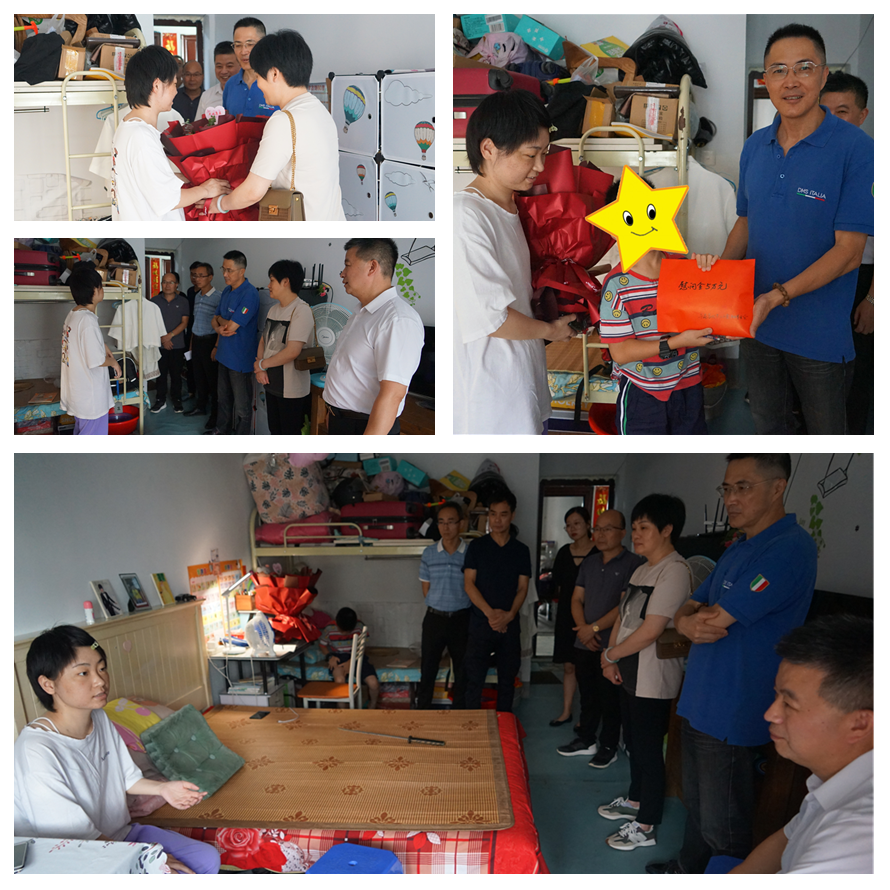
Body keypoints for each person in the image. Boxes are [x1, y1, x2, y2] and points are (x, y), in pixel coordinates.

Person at [695, 24, 873, 434]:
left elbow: (849, 253)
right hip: (756, 325)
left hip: (819, 334)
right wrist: (714, 285)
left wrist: (777, 297)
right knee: (767, 426)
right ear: (766, 80)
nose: (790, 81)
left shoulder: (857, 149)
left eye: (803, 68)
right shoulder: (755, 146)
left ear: (823, 75)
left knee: (825, 434)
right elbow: (745, 222)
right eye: (778, 70)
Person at [647, 454, 817, 874]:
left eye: (743, 487)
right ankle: (687, 870)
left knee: (724, 823)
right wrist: (686, 620)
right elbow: (691, 606)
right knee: (696, 804)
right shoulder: (738, 547)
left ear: (777, 487)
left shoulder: (788, 548)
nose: (731, 499)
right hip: (699, 698)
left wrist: (692, 619)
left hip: (732, 705)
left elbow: (714, 618)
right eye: (726, 488)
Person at [14, 625, 220, 873]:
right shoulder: (36, 750)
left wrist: (164, 789)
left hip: (118, 835)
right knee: (169, 873)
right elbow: (73, 836)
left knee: (206, 858)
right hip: (73, 854)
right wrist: (148, 860)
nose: (100, 681)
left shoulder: (99, 717)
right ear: (48, 685)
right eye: (83, 673)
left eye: (101, 668)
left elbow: (126, 778)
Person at [453, 89, 576, 434]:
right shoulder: (465, 215)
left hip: (521, 382)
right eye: (530, 155)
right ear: (489, 149)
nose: (540, 166)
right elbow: (491, 319)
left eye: (544, 154)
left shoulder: (512, 207)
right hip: (490, 397)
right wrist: (552, 331)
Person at [730, 615, 873, 874]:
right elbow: (785, 841)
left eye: (788, 703)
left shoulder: (861, 833)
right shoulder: (835, 781)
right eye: (776, 695)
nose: (770, 714)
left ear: (859, 724)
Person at [596, 495, 693, 851]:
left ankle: (647, 825)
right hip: (628, 669)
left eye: (644, 528)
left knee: (650, 751)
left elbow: (652, 630)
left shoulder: (675, 570)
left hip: (652, 675)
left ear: (667, 530)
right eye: (635, 527)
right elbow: (623, 617)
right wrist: (611, 659)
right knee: (635, 744)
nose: (636, 534)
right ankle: (635, 800)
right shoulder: (641, 569)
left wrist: (610, 654)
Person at [598, 177, 713, 435]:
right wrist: (676, 342)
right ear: (613, 229)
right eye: (630, 218)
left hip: (688, 384)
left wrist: (710, 273)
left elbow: (712, 318)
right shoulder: (617, 286)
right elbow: (620, 352)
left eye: (648, 213)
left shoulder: (683, 267)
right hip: (642, 392)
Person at [208, 30, 344, 221]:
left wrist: (219, 204)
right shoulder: (320, 111)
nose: (258, 84)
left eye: (258, 76)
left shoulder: (284, 120)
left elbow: (253, 192)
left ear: (274, 74)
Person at [557, 510, 645, 767]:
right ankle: (586, 739)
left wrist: (592, 628)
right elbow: (576, 598)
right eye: (597, 529)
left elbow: (624, 606)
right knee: (587, 695)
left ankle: (608, 746)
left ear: (623, 533)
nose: (601, 534)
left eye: (608, 529)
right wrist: (584, 629)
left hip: (613, 644)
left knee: (610, 698)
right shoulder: (590, 563)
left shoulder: (634, 564)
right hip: (584, 642)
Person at [111, 45, 229, 221]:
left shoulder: (127, 127)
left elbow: (148, 180)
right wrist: (206, 189)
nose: (176, 90)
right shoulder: (141, 137)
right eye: (174, 83)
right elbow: (167, 200)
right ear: (157, 85)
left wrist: (189, 177)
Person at [323, 239, 424, 435]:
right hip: (342, 420)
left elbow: (392, 395)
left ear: (372, 267)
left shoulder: (397, 319)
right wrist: (334, 411)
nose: (342, 273)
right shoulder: (361, 312)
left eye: (347, 265)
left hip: (366, 426)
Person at [819, 72, 873, 435]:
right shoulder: (817, 159)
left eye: (842, 111)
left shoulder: (873, 163)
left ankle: (851, 434)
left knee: (857, 367)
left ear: (862, 115)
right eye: (826, 111)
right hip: (821, 275)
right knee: (819, 365)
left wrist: (874, 299)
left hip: (862, 280)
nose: (832, 120)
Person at [463, 489, 531, 713]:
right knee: (474, 680)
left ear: (512, 515)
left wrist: (509, 615)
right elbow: (469, 584)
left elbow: (523, 588)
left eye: (503, 514)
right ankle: (473, 727)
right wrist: (491, 614)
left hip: (509, 626)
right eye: (493, 514)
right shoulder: (477, 547)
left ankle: (503, 726)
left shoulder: (521, 551)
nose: (497, 520)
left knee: (507, 681)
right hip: (481, 624)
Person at [417, 502, 471, 710]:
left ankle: (459, 713)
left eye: (451, 522)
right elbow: (426, 589)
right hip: (434, 619)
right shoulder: (429, 553)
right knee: (428, 668)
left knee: (463, 669)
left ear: (461, 524)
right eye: (441, 522)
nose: (445, 527)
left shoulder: (470, 553)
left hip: (462, 619)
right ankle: (422, 712)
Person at [548, 507, 596, 728]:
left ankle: (586, 717)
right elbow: (557, 584)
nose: (572, 528)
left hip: (593, 617)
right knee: (569, 666)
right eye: (568, 525)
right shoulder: (564, 553)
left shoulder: (598, 552)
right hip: (567, 616)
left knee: (588, 669)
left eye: (577, 523)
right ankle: (566, 711)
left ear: (588, 524)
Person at [255, 259, 314, 435]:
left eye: (272, 280)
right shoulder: (273, 310)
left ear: (286, 281)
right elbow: (264, 340)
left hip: (291, 388)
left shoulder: (301, 310)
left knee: (289, 433)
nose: (269, 285)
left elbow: (292, 352)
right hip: (271, 382)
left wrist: (261, 365)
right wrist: (260, 367)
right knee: (274, 429)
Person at [60, 267, 121, 435]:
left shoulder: (74, 314)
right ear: (94, 291)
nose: (102, 289)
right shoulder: (88, 321)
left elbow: (80, 344)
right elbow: (96, 361)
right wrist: (114, 362)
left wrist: (103, 346)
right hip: (90, 399)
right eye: (101, 286)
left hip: (79, 395)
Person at [207, 251, 259, 436]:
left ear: (241, 271)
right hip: (224, 355)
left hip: (240, 360)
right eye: (223, 269)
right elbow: (214, 320)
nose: (225, 274)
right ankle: (221, 431)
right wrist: (219, 326)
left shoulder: (250, 294)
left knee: (242, 407)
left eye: (229, 270)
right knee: (223, 399)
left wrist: (221, 322)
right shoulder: (227, 291)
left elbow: (230, 326)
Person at [318, 608, 379, 709]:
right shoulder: (329, 628)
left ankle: (372, 706)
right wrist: (330, 657)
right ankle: (343, 710)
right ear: (337, 623)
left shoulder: (360, 627)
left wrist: (352, 661)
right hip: (338, 657)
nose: (345, 633)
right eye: (342, 630)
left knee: (373, 683)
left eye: (348, 631)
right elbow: (322, 645)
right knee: (339, 680)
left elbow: (363, 647)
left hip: (357, 656)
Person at [185, 262, 221, 429]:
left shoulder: (219, 297)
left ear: (210, 277)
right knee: (199, 377)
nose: (197, 279)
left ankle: (215, 415)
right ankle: (200, 407)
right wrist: (192, 345)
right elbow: (195, 322)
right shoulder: (197, 296)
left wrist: (216, 347)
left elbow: (221, 325)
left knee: (212, 381)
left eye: (201, 275)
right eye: (194, 275)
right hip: (197, 342)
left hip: (210, 342)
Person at [149, 271, 190, 414]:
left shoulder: (183, 301)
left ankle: (176, 399)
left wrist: (169, 336)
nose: (167, 285)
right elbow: (150, 322)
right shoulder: (154, 301)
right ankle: (160, 400)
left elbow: (184, 323)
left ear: (176, 284)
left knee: (176, 374)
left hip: (177, 344)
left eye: (171, 282)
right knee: (160, 374)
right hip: (159, 344)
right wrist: (163, 338)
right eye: (165, 282)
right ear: (161, 284)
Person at [222, 17, 277, 118]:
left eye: (250, 44)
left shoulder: (278, 81)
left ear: (264, 45)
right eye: (238, 45)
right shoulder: (230, 85)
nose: (243, 51)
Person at [196, 41, 238, 122]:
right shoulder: (207, 96)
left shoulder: (247, 93)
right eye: (219, 66)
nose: (224, 71)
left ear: (240, 65)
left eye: (229, 66)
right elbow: (198, 125)